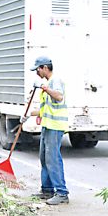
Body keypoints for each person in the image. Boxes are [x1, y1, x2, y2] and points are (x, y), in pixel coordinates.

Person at [20, 56, 69, 205]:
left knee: (53, 158)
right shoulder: (48, 84)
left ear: (45, 68)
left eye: (38, 69)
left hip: (55, 126)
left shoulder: (55, 81)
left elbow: (59, 97)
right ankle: (47, 189)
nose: (37, 73)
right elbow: (44, 109)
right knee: (44, 157)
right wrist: (27, 114)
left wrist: (45, 88)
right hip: (48, 125)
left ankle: (61, 192)